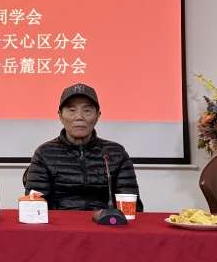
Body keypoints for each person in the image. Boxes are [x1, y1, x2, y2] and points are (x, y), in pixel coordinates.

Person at [23, 83, 141, 211]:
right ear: (60, 116)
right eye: (72, 110)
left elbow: (132, 207)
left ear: (97, 116)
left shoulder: (115, 153)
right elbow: (34, 208)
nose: (79, 117)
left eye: (87, 110)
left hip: (105, 221)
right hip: (60, 222)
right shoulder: (44, 154)